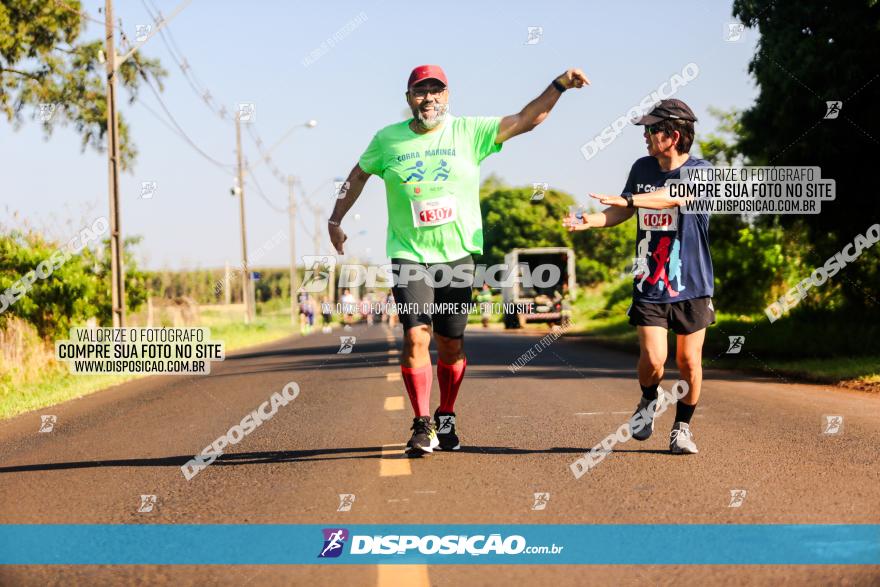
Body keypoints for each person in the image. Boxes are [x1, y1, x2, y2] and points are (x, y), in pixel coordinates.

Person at [330, 64, 589, 454]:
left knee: (450, 344)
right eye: (420, 91)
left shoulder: (470, 132)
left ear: (447, 96)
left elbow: (525, 120)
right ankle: (421, 424)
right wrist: (335, 218)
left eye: (436, 90)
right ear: (409, 99)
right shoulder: (387, 140)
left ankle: (446, 414)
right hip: (409, 255)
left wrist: (559, 86)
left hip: (457, 257)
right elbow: (357, 176)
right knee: (416, 335)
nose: (429, 98)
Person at [564, 98, 713, 455]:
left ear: (673, 135)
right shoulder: (642, 168)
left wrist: (630, 200)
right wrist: (593, 220)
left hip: (692, 283)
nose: (645, 136)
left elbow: (672, 199)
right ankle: (648, 400)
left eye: (651, 129)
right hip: (649, 282)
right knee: (654, 358)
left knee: (690, 362)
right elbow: (620, 212)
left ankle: (682, 429)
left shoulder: (702, 171)